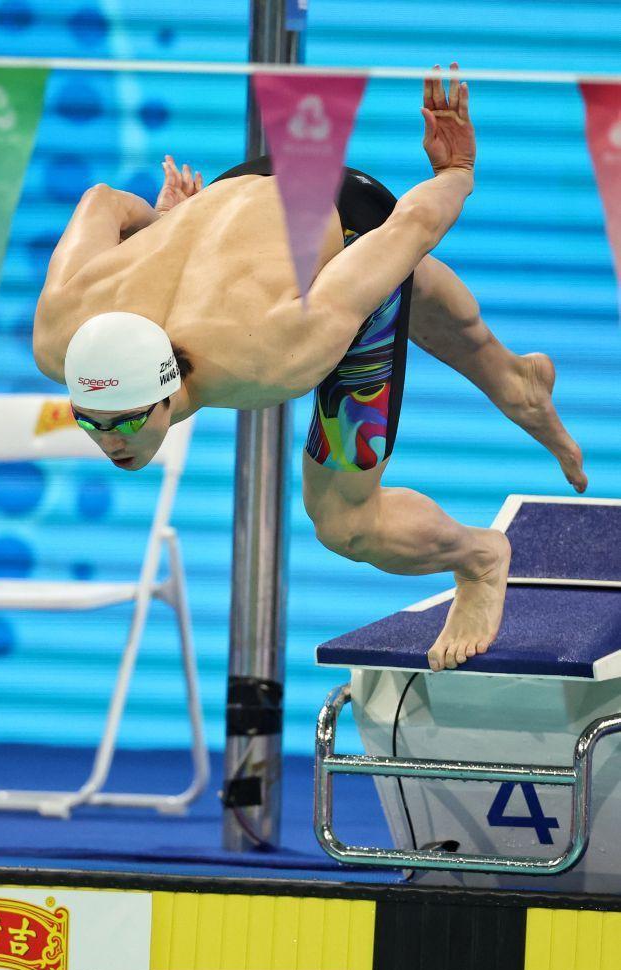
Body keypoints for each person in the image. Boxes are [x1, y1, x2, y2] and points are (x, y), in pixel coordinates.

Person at [33, 65, 587, 672]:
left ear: (168, 389)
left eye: (126, 421)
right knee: (406, 293)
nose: (110, 442)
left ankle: (479, 559)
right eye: (92, 423)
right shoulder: (61, 331)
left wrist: (455, 172)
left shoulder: (274, 350)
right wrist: (163, 226)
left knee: (345, 522)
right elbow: (103, 201)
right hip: (238, 198)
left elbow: (410, 227)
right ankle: (516, 381)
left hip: (340, 219)